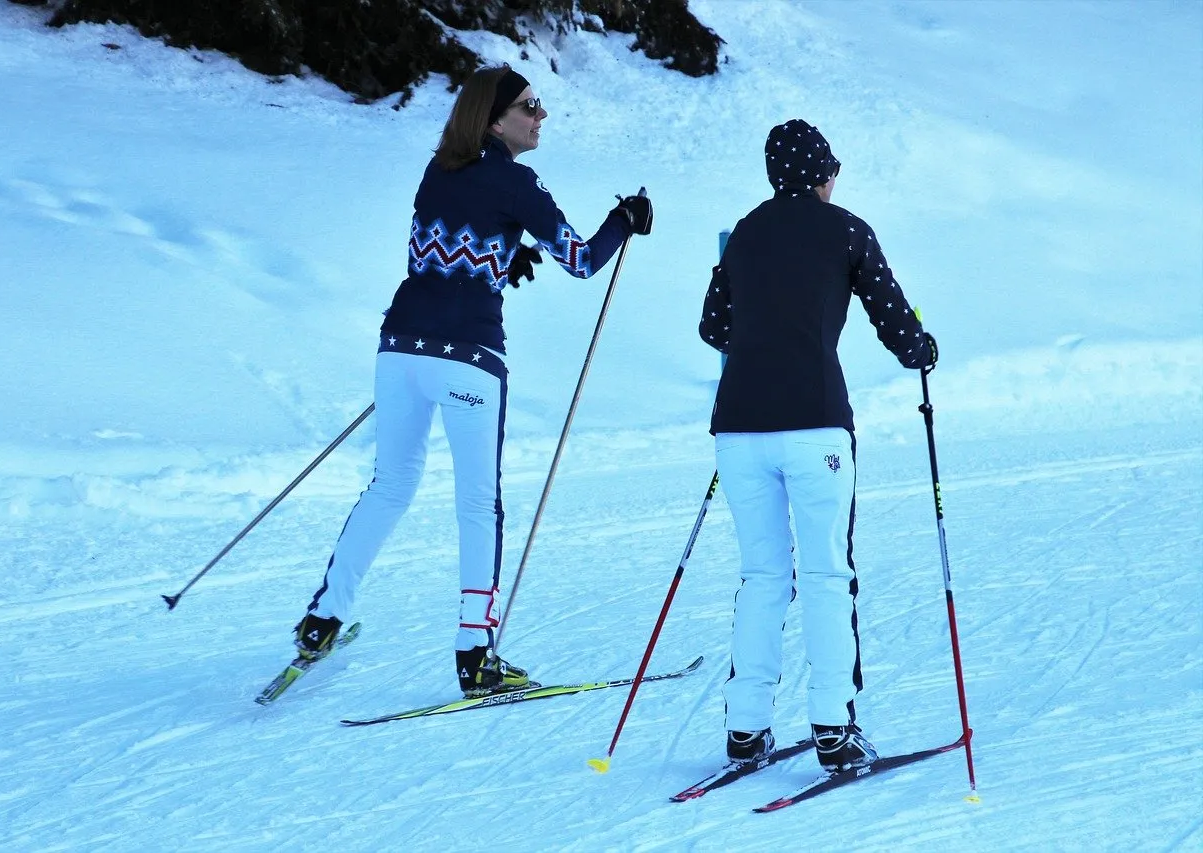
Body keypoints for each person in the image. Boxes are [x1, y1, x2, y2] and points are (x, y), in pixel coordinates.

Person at [293, 64, 654, 698]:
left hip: (400, 349)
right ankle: (474, 653)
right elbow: (582, 261)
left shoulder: (439, 170)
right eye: (529, 107)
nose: (541, 116)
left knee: (390, 485)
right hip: (468, 358)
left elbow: (447, 247)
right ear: (494, 119)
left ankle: (322, 620)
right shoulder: (517, 181)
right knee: (478, 504)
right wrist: (624, 218)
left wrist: (501, 257)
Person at [698, 119, 936, 770]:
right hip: (816, 424)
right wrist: (923, 347)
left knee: (762, 574)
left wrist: (760, 342)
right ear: (823, 175)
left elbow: (713, 325)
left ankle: (746, 727)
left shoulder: (745, 233)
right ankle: (833, 724)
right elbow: (896, 315)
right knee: (828, 570)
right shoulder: (848, 229)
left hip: (739, 428)